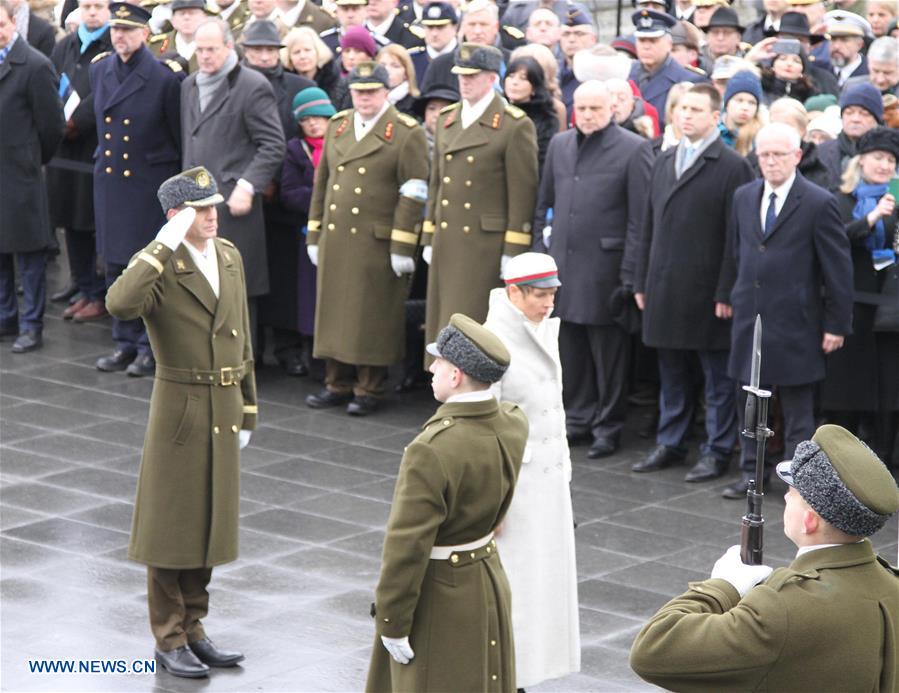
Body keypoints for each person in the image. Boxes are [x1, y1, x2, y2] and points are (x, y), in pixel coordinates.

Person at [106, 167, 256, 680]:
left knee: (208, 521)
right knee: (170, 527)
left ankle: (194, 627)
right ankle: (168, 636)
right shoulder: (160, 264)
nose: (213, 216)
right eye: (200, 210)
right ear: (175, 216)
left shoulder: (229, 256)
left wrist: (248, 405)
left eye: (214, 206)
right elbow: (120, 304)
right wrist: (162, 244)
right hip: (181, 407)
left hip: (223, 404)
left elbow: (242, 337)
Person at [630, 424, 899, 691]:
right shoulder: (893, 584)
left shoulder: (783, 608)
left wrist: (723, 586)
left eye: (792, 493)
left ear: (809, 522)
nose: (786, 497)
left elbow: (652, 650)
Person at [365, 313, 528, 693]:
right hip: (487, 576)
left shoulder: (432, 449)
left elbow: (406, 546)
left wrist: (392, 621)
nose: (431, 368)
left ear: (456, 376)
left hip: (441, 593)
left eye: (438, 362)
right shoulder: (513, 422)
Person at [723, 122, 853, 499]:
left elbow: (837, 269)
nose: (771, 161)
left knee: (798, 409)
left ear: (797, 155)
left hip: (797, 321)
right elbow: (735, 252)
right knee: (750, 403)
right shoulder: (744, 196)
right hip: (750, 318)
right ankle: (752, 474)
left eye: (779, 154)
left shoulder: (818, 202)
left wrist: (836, 324)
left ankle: (798, 483)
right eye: (764, 154)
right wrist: (726, 295)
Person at [633, 83, 754, 482]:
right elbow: (648, 225)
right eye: (682, 108)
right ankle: (671, 441)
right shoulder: (665, 159)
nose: (686, 115)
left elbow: (736, 236)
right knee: (671, 372)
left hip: (707, 290)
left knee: (716, 379)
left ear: (715, 117)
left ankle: (716, 450)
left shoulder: (732, 166)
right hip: (665, 285)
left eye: (696, 109)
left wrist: (726, 290)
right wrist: (641, 280)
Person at [305, 62, 428, 416]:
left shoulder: (405, 132)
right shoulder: (339, 125)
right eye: (359, 92)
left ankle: (369, 387)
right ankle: (336, 382)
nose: (364, 98)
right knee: (334, 312)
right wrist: (314, 231)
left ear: (386, 92)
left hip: (377, 240)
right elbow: (323, 183)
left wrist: (403, 244)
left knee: (371, 315)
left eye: (372, 91)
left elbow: (414, 191)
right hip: (337, 235)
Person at [536, 80, 651, 458]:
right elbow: (544, 203)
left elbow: (639, 219)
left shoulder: (633, 148)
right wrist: (540, 253)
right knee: (571, 350)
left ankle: (608, 426)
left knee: (608, 356)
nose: (586, 115)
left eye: (595, 109)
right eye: (581, 108)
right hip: (563, 268)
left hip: (606, 270)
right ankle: (578, 419)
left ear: (612, 110)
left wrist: (629, 274)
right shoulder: (560, 145)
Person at [484, 253, 580, 691]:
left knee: (543, 586)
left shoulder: (541, 328)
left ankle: (521, 674)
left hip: (547, 483)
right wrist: (492, 501)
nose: (548, 304)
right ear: (513, 292)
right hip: (516, 488)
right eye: (540, 295)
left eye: (552, 295)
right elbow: (484, 429)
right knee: (516, 586)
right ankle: (506, 675)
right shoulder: (492, 341)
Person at [422, 43, 538, 354]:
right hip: (448, 235)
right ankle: (445, 376)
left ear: (491, 78)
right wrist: (429, 235)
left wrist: (513, 249)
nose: (465, 81)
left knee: (473, 322)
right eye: (461, 75)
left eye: (472, 75)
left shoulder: (514, 124)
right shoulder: (447, 119)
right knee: (445, 319)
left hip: (484, 243)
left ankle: (470, 378)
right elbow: (437, 184)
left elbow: (522, 191)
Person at [181, 18, 286, 354]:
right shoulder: (190, 84)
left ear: (229, 47)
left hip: (231, 204)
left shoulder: (251, 85)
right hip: (195, 203)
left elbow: (273, 144)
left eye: (212, 49)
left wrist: (248, 185)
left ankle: (241, 362)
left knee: (235, 286)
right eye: (200, 49)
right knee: (199, 283)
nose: (205, 56)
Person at [91, 1, 182, 376]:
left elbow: (176, 137)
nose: (120, 36)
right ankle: (123, 341)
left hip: (147, 184)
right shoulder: (100, 69)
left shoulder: (165, 77)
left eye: (128, 30)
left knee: (147, 266)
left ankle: (148, 346)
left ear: (145, 34)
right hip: (111, 183)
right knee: (114, 265)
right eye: (116, 29)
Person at [822, 127, 899, 467]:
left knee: (887, 387)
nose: (884, 165)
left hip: (888, 308)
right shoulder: (841, 199)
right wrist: (871, 218)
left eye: (890, 160)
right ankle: (841, 460)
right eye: (878, 157)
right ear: (861, 161)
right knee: (847, 386)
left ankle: (883, 459)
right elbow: (835, 239)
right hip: (851, 303)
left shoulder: (896, 200)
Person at [0, 0, 64, 353]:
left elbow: (52, 126)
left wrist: (31, 158)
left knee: (29, 256)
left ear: (13, 23)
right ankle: (6, 317)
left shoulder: (35, 65)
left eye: (0, 25)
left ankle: (32, 325)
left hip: (21, 174)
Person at [46, 0, 111, 324]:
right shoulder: (66, 45)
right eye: (87, 6)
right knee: (69, 217)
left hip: (93, 144)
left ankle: (98, 291)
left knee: (92, 220)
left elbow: (106, 91)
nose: (92, 12)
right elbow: (50, 82)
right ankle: (82, 285)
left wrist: (77, 122)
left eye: (99, 6)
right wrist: (59, 121)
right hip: (64, 148)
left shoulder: (111, 46)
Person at [275, 86, 334, 377]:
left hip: (342, 234)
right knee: (311, 299)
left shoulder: (343, 144)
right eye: (306, 119)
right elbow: (290, 193)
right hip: (308, 233)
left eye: (318, 117)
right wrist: (326, 198)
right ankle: (316, 361)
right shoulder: (296, 150)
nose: (312, 124)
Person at [629, 9, 705, 129]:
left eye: (653, 41)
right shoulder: (627, 73)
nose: (646, 46)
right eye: (641, 40)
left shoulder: (689, 81)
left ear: (669, 44)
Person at [817, 82, 883, 189]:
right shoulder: (820, 153)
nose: (855, 119)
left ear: (877, 120)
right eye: (849, 112)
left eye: (864, 114)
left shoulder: (890, 154)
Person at [502, 55, 557, 175]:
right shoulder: (497, 111)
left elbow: (543, 161)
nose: (515, 82)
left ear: (534, 87)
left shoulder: (545, 119)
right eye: (511, 76)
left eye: (523, 78)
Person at [281, 25, 342, 102]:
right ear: (288, 57)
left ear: (318, 51)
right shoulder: (283, 84)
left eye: (307, 50)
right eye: (296, 52)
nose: (302, 56)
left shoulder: (334, 81)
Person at [148, 0, 211, 72]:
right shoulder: (156, 45)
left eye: (192, 13)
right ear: (172, 20)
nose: (187, 18)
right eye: (181, 13)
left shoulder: (214, 44)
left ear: (204, 18)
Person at [408, 1, 457, 89]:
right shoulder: (412, 59)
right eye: (430, 27)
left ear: (454, 27)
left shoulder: (464, 58)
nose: (434, 33)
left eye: (440, 27)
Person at [759, 38, 821, 105]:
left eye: (796, 61)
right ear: (772, 65)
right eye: (783, 59)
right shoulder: (760, 87)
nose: (789, 64)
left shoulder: (810, 96)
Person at [717, 70, 764, 156]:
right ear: (727, 103)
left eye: (752, 103)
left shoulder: (761, 139)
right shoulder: (711, 131)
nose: (745, 108)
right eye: (739, 100)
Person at [824, 10, 870, 88]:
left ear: (859, 44)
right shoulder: (821, 70)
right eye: (833, 39)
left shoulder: (870, 73)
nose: (836, 46)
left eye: (844, 40)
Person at [377, 43, 419, 115]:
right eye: (382, 65)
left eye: (395, 66)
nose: (387, 70)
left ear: (406, 73)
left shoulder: (415, 105)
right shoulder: (367, 99)